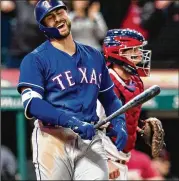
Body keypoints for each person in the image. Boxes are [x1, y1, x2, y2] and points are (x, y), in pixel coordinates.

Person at [17, 0, 127, 180]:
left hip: (90, 138)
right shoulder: (34, 60)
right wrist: (71, 121)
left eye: (60, 13)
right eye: (51, 17)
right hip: (52, 138)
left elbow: (110, 98)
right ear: (43, 26)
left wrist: (119, 121)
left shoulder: (94, 55)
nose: (58, 19)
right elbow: (32, 104)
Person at [97, 28, 163, 180]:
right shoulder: (104, 84)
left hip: (122, 162)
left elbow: (121, 118)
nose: (140, 54)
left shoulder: (135, 82)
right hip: (103, 164)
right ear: (117, 53)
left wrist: (139, 128)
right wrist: (104, 160)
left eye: (140, 49)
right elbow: (89, 127)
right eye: (133, 50)